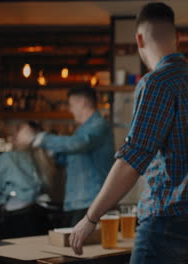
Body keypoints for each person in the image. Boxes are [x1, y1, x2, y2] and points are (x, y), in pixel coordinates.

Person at [69, 2, 188, 263]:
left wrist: (90, 217)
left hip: (167, 223)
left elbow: (132, 159)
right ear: (178, 37)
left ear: (139, 38)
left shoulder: (156, 83)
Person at [18, 87, 115, 227]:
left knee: (83, 247)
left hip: (91, 201)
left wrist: (38, 139)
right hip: (79, 201)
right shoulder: (83, 129)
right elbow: (73, 157)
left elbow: (79, 143)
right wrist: (52, 153)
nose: (70, 110)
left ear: (82, 103)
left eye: (71, 105)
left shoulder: (98, 125)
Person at [0, 121, 55, 238]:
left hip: (16, 220)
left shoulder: (9, 158)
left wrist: (6, 193)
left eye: (19, 129)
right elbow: (46, 185)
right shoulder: (43, 159)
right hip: (41, 219)